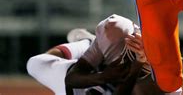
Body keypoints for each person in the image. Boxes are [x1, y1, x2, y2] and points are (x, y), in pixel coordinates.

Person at [27, 14, 157, 95]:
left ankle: (86, 45)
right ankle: (87, 45)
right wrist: (103, 76)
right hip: (97, 72)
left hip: (76, 84)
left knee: (36, 64)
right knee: (36, 64)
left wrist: (103, 77)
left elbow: (69, 80)